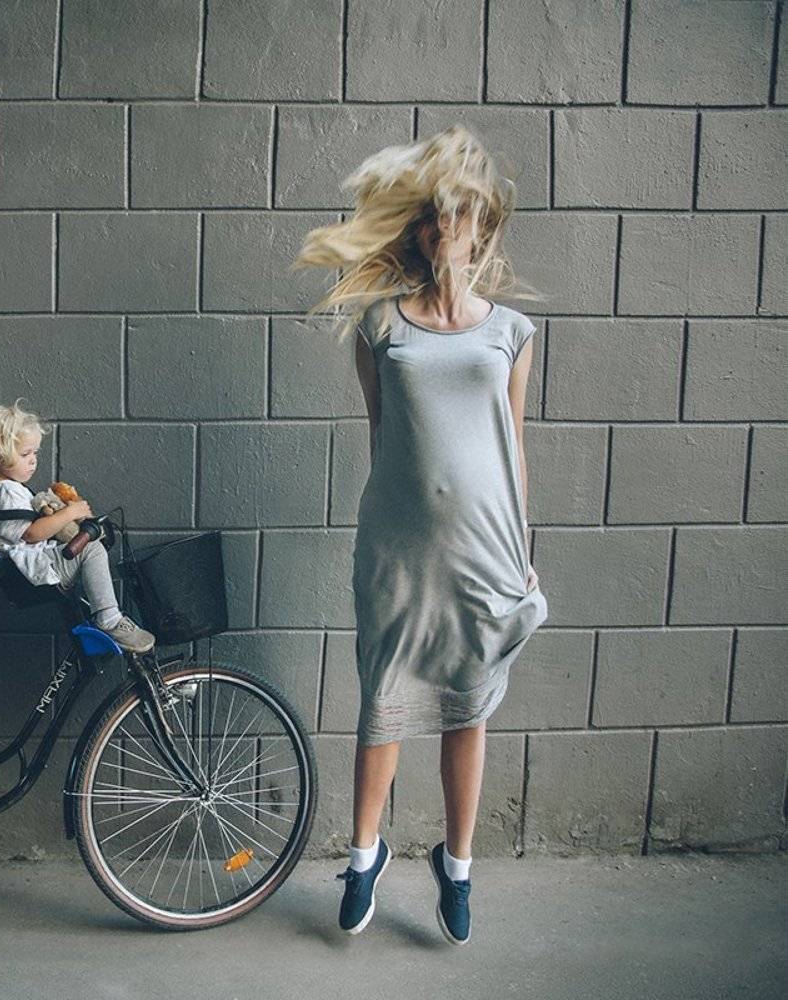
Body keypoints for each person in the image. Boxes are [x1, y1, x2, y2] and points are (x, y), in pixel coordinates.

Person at [292, 126, 549, 945]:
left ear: (483, 228)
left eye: (461, 216)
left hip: (484, 551)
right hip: (400, 552)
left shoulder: (510, 333)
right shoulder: (382, 328)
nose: (446, 230)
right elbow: (383, 437)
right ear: (421, 227)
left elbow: (513, 446)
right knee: (386, 703)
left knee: (467, 710)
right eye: (435, 216)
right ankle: (364, 855)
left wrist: (521, 551)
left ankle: (457, 865)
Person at [0, 401, 155, 654]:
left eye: (35, 453)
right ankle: (109, 618)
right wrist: (71, 513)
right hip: (31, 570)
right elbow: (32, 533)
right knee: (92, 549)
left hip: (31, 566)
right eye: (25, 454)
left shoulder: (2, 489)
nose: (33, 461)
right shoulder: (5, 492)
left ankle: (102, 614)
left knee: (86, 548)